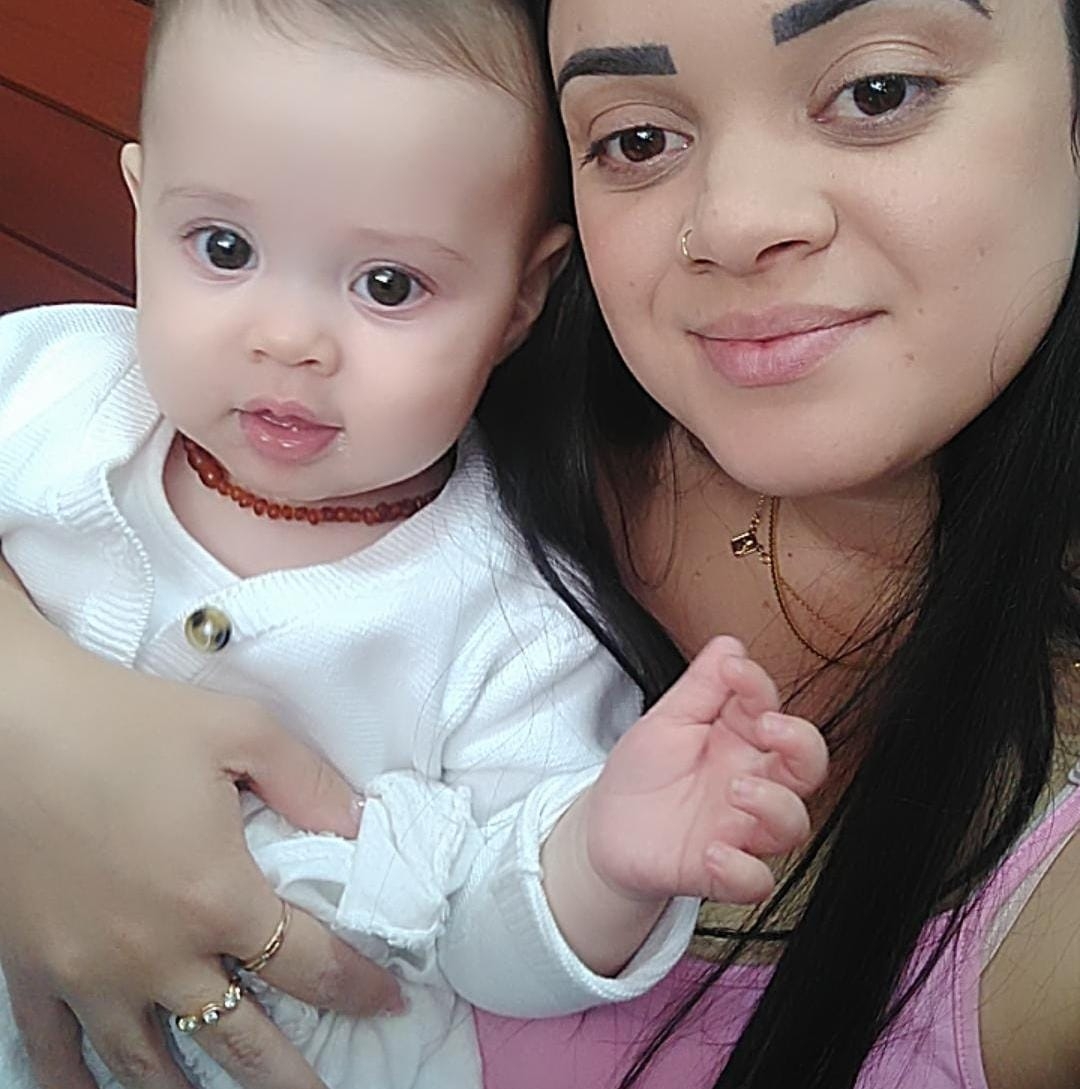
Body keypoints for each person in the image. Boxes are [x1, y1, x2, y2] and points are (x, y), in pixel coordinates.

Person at [4, 0, 1078, 1085]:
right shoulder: (65, 389)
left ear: (522, 292)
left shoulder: (512, 618)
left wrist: (603, 861)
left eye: (879, 91)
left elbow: (489, 917)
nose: (738, 221)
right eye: (637, 138)